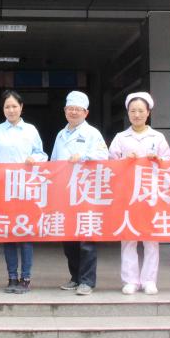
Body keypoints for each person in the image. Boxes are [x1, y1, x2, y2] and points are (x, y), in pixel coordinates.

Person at [0, 89, 47, 294]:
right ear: (3, 109)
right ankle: (11, 277)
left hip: (26, 190)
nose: (11, 110)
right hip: (4, 189)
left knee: (25, 235)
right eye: (7, 106)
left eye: (14, 106)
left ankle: (25, 278)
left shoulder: (31, 130)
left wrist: (35, 159)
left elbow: (42, 154)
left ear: (21, 107)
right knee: (8, 235)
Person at [108, 91, 170, 295]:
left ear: (148, 113)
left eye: (141, 111)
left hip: (151, 193)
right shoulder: (120, 138)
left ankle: (149, 280)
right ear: (127, 113)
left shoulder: (158, 137)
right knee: (129, 237)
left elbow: (169, 163)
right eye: (133, 111)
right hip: (127, 193)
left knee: (151, 238)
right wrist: (124, 160)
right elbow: (110, 164)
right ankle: (130, 280)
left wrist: (158, 160)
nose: (136, 115)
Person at [49, 90, 108, 296]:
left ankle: (87, 281)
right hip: (64, 193)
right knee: (69, 238)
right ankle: (75, 277)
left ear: (86, 112)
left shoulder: (92, 133)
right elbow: (53, 161)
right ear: (65, 110)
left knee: (86, 239)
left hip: (85, 192)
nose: (73, 112)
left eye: (78, 109)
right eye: (70, 109)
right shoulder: (61, 134)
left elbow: (104, 156)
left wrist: (83, 156)